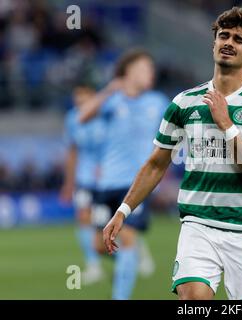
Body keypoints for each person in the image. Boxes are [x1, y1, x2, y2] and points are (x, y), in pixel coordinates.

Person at [103, 7, 242, 300]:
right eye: (223, 36)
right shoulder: (184, 102)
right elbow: (155, 165)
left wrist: (226, 125)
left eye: (238, 39)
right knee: (193, 298)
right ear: (213, 43)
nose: (228, 42)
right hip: (198, 225)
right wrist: (123, 211)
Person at [79, 49, 169, 299]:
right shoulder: (113, 100)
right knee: (99, 246)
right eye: (145, 68)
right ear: (129, 71)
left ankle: (121, 293)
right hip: (106, 182)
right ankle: (132, 258)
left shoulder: (158, 101)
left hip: (136, 185)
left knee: (127, 238)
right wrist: (110, 89)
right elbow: (83, 116)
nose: (151, 73)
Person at [61, 82, 105, 285]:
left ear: (94, 96)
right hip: (84, 177)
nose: (79, 101)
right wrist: (69, 182)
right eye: (76, 96)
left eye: (84, 96)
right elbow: (72, 151)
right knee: (83, 216)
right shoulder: (72, 119)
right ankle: (93, 265)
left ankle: (136, 251)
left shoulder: (106, 115)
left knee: (111, 221)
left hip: (108, 176)